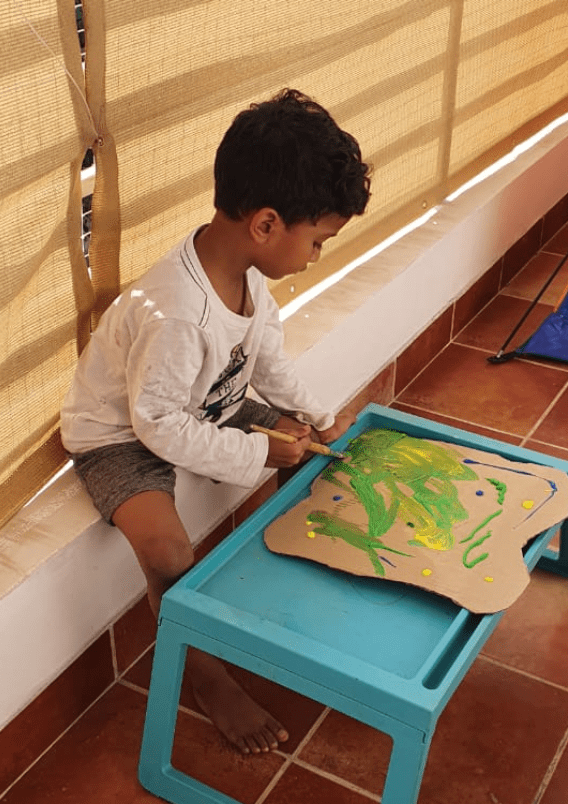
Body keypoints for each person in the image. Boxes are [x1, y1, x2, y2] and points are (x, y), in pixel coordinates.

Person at [61, 89, 371, 755]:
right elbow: (156, 426)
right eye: (316, 241)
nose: (316, 256)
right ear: (265, 225)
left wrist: (314, 418)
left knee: (306, 442)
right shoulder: (177, 314)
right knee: (170, 553)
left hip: (201, 402)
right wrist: (255, 453)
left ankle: (300, 572)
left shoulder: (248, 277)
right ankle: (204, 672)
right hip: (121, 432)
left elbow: (266, 361)